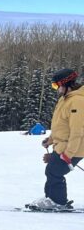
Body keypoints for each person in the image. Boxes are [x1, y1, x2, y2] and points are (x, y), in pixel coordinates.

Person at [28, 68, 84, 210]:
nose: (56, 89)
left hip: (74, 148)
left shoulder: (77, 101)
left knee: (55, 171)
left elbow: (77, 131)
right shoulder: (65, 100)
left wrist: (68, 154)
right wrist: (51, 139)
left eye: (56, 85)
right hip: (62, 146)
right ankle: (50, 199)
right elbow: (62, 125)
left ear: (66, 84)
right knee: (51, 170)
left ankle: (58, 202)